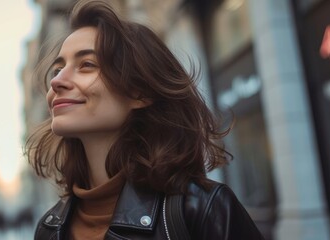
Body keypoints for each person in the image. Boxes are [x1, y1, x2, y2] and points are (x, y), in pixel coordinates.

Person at [26, 1, 265, 239]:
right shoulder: (49, 229)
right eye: (57, 69)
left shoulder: (203, 210)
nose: (56, 82)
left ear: (140, 92)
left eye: (87, 64)